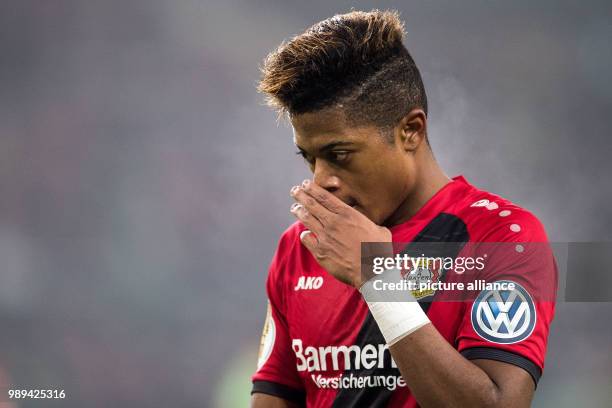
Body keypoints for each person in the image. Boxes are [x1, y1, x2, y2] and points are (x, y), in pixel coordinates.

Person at [251, 10, 556, 408]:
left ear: (410, 130)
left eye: (339, 154)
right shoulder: (303, 246)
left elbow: (499, 403)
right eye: (309, 158)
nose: (320, 179)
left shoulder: (502, 238)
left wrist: (377, 278)